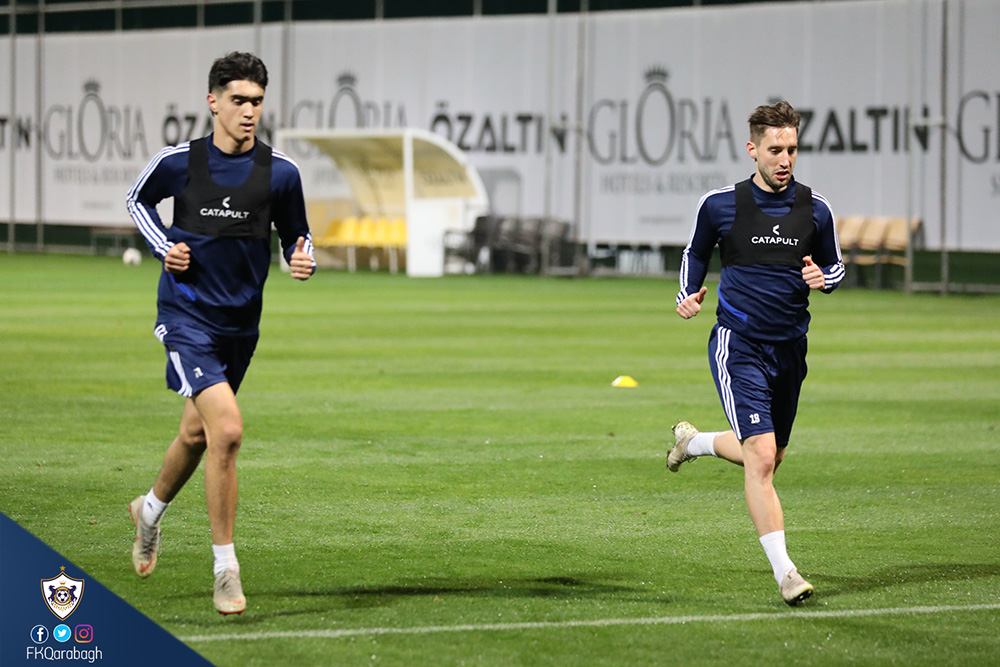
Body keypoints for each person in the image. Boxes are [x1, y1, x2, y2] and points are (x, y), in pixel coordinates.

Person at [125, 52, 315, 615]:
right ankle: (225, 569)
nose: (249, 111)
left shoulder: (280, 172)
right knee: (227, 431)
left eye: (257, 101)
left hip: (241, 326)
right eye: (238, 100)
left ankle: (148, 513)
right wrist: (164, 247)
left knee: (196, 434)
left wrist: (302, 255)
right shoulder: (180, 162)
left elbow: (298, 234)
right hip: (186, 318)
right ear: (213, 102)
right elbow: (137, 200)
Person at [667, 100, 844, 605]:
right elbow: (695, 252)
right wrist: (688, 294)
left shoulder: (816, 208)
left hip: (790, 350)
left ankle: (694, 443)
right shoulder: (720, 205)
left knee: (770, 455)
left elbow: (835, 267)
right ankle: (786, 574)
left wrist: (824, 278)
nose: (785, 159)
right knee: (761, 458)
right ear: (752, 149)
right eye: (775, 150)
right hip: (738, 343)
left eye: (792, 149)